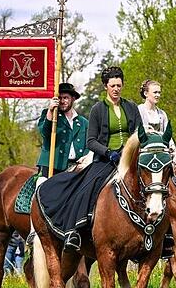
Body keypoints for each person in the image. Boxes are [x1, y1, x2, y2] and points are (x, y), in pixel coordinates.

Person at [36, 66, 142, 251]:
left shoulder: (132, 107)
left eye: (119, 85)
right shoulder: (97, 109)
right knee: (86, 186)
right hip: (107, 159)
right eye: (112, 85)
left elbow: (140, 133)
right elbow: (91, 141)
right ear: (105, 87)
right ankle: (74, 231)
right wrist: (108, 152)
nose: (116, 89)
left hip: (132, 158)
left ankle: (163, 233)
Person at [36, 82, 89, 180]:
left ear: (73, 99)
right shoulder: (48, 114)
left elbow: (89, 144)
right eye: (59, 98)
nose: (62, 101)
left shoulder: (83, 122)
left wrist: (85, 160)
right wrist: (50, 111)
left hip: (77, 169)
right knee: (42, 188)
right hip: (52, 166)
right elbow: (44, 134)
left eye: (65, 98)